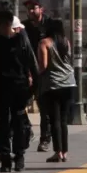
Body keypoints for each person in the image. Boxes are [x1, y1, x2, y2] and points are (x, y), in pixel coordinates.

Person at [0, 10, 39, 172]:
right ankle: (5, 158)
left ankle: (19, 156)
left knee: (19, 123)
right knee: (1, 125)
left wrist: (33, 88)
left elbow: (32, 63)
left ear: (7, 25)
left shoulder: (22, 40)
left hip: (19, 87)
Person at [37, 19, 76, 163]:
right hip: (70, 83)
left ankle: (57, 152)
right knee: (64, 120)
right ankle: (65, 152)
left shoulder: (44, 43)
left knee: (55, 120)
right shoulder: (66, 42)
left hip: (53, 85)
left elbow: (43, 66)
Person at [23, 0, 54, 153]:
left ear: (41, 9)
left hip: (45, 73)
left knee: (44, 109)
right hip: (27, 72)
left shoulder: (50, 25)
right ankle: (27, 129)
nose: (30, 11)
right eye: (28, 9)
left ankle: (45, 140)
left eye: (33, 8)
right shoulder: (24, 27)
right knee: (19, 106)